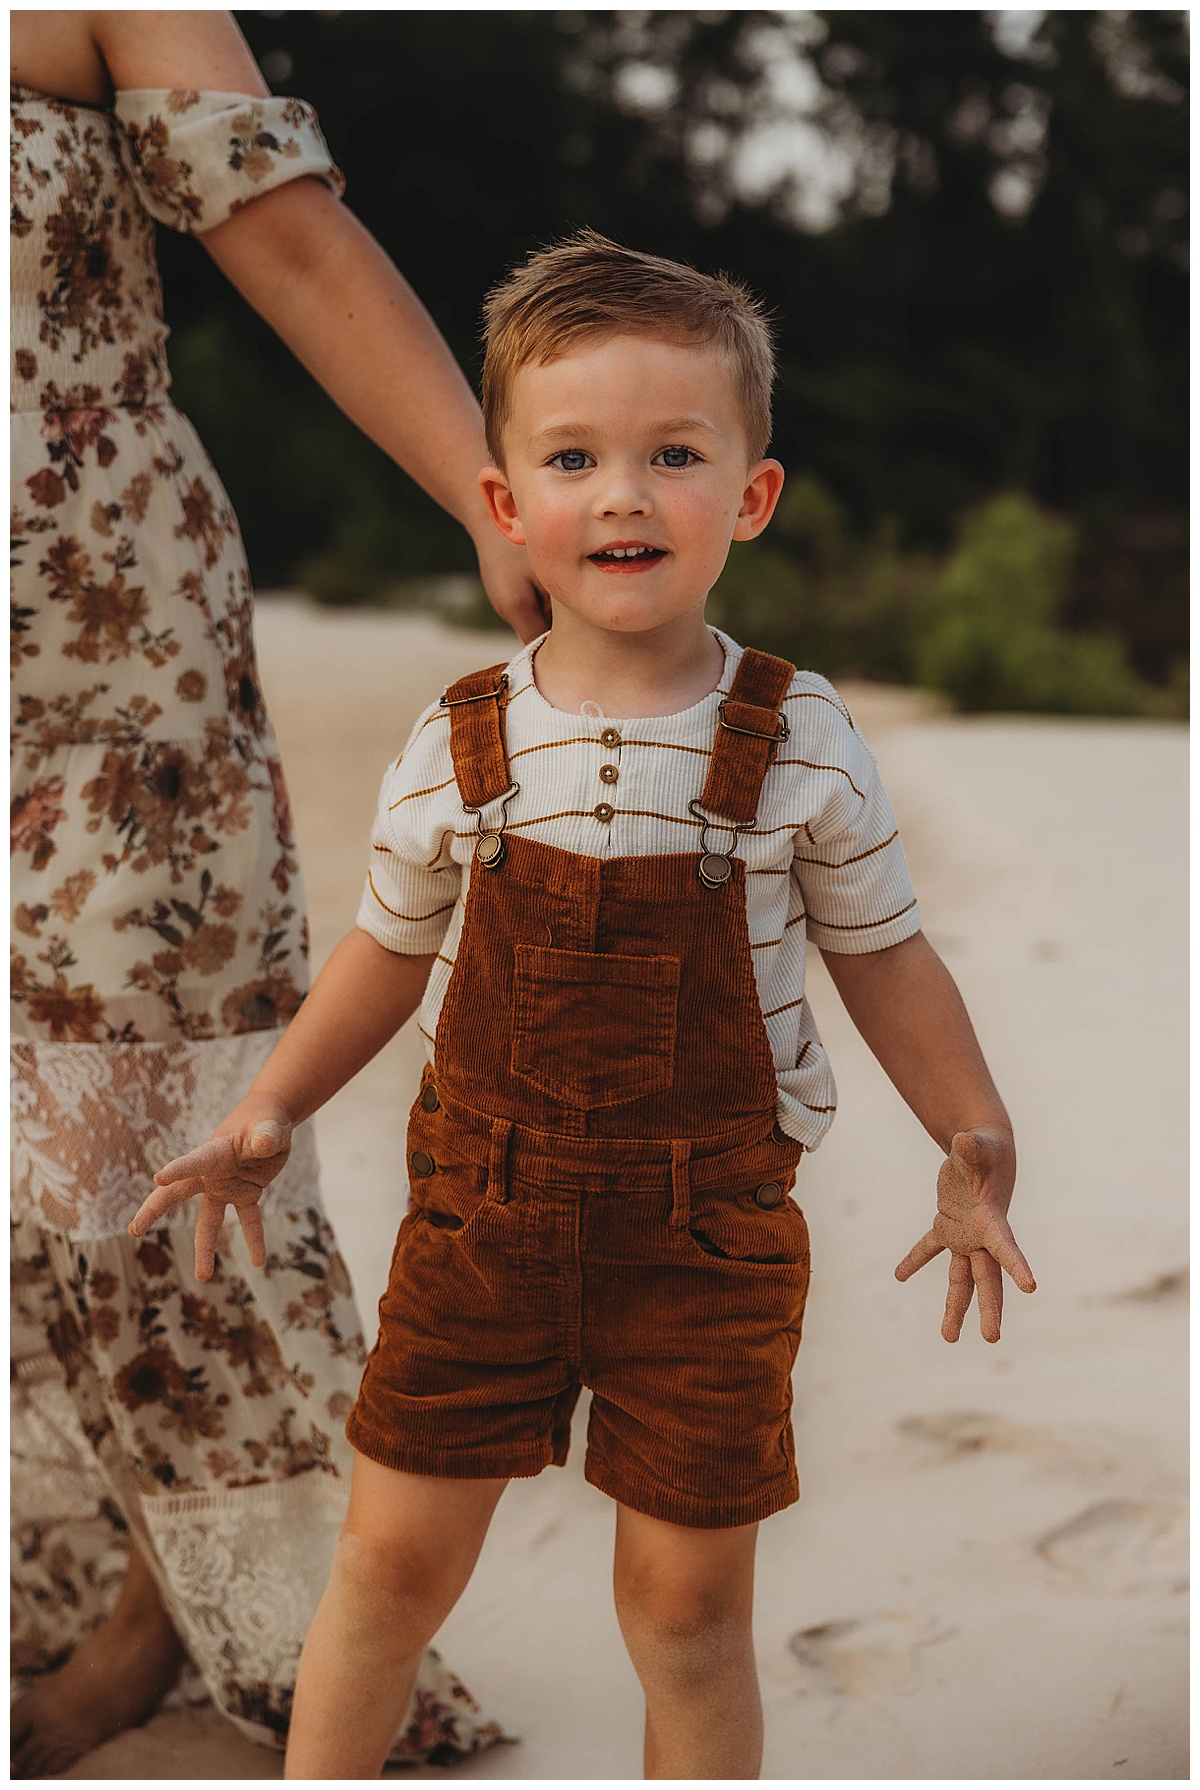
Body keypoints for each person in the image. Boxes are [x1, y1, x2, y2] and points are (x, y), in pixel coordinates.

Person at [132, 230, 1037, 1780]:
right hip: (478, 1224)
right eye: (573, 455)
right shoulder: (460, 736)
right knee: (390, 1570)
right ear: (507, 504)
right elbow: (387, 950)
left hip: (708, 1241)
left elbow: (886, 952)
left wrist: (972, 1128)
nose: (622, 491)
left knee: (684, 1607)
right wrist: (270, 1107)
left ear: (747, 498)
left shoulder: (798, 736)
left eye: (673, 453)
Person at [10, 9, 540, 1778]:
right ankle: (79, 1570)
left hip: (99, 662)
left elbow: (293, 239)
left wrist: (496, 497)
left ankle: (195, 1607)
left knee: (140, 1124)